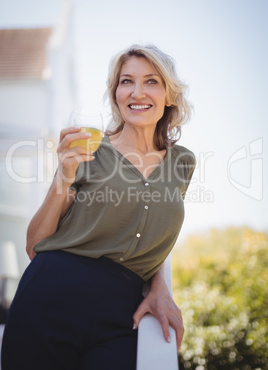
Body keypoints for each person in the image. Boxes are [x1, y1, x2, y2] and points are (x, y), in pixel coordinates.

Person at [1, 44, 196, 370]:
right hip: (51, 294)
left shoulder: (183, 163)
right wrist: (63, 175)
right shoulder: (87, 150)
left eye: (151, 81)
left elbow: (158, 237)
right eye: (126, 81)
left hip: (122, 312)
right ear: (116, 94)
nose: (137, 91)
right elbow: (35, 245)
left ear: (169, 95)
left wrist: (161, 287)